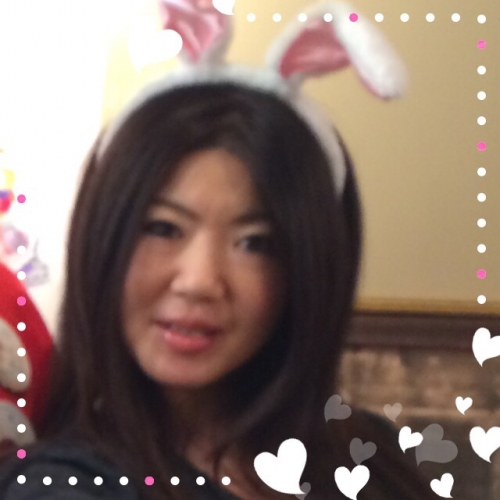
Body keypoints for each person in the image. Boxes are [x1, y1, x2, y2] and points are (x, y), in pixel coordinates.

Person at [0, 1, 438, 499]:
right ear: (103, 239)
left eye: (255, 243)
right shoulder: (67, 486)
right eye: (163, 228)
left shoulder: (368, 451)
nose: (200, 280)